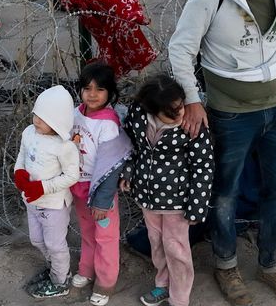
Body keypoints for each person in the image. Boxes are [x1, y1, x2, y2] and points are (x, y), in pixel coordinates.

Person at [167, 0, 276, 305]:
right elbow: (181, 50)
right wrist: (194, 100)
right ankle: (226, 265)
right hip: (229, 114)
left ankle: (272, 264)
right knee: (225, 193)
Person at [119, 75, 214, 306]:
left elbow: (204, 167)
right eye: (170, 113)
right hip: (147, 197)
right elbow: (132, 147)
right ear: (151, 109)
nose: (178, 115)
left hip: (177, 201)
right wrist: (128, 172)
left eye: (180, 107)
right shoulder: (139, 117)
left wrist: (196, 207)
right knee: (156, 242)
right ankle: (162, 284)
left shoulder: (192, 126)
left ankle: (179, 298)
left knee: (176, 248)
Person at [68, 62, 132, 306]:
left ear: (110, 93)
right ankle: (87, 269)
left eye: (99, 89)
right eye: (87, 88)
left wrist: (103, 200)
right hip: (78, 187)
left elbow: (111, 166)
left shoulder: (108, 123)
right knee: (87, 232)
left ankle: (105, 282)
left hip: (100, 193)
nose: (92, 94)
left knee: (105, 237)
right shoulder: (76, 113)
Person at [13, 85, 81, 298]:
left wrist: (42, 187)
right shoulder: (29, 133)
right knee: (37, 240)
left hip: (53, 205)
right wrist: (19, 172)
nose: (36, 120)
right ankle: (55, 269)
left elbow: (72, 176)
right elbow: (22, 155)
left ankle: (61, 280)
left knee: (54, 244)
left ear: (58, 121)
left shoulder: (64, 146)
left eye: (43, 118)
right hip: (31, 202)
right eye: (36, 114)